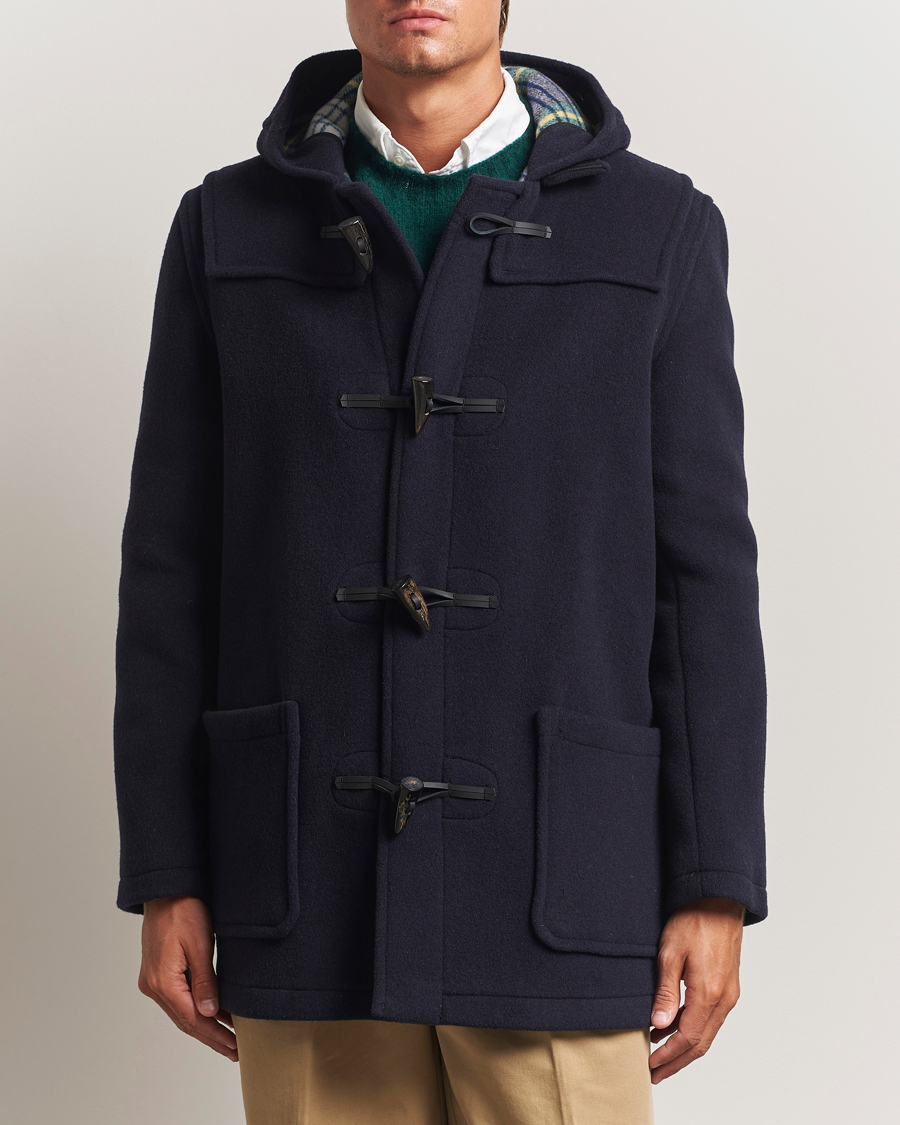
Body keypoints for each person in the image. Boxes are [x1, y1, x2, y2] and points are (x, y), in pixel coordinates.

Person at [113, 2, 767, 1121]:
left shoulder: (657, 227)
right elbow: (171, 567)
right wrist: (168, 868)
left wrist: (716, 880)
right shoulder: (226, 226)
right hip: (305, 872)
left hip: (557, 879)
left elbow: (700, 574)